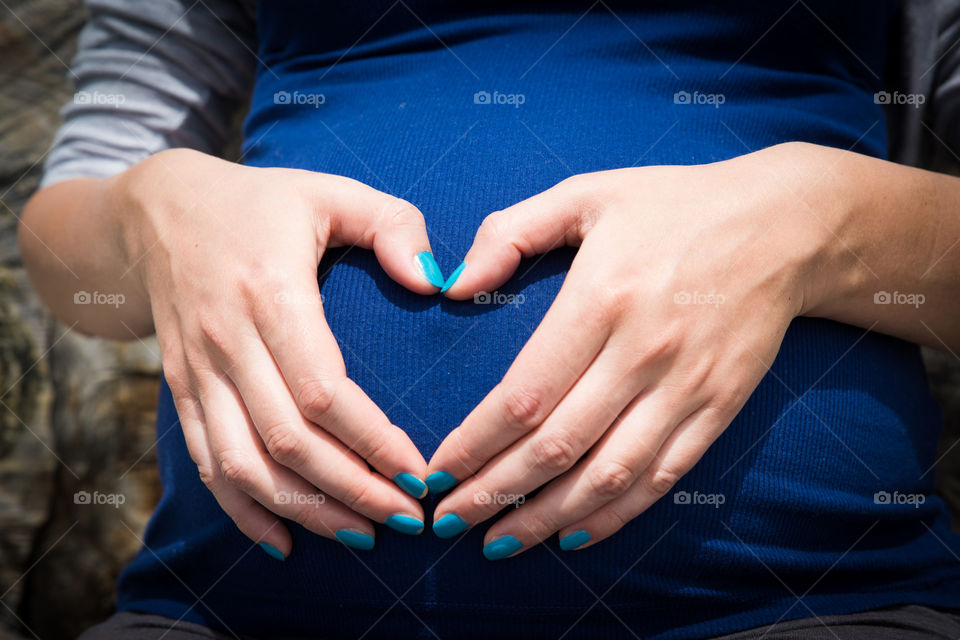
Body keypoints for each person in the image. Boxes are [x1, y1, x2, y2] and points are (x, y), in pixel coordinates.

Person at [18, 0, 960, 638]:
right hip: (227, 617)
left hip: (804, 604)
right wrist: (152, 209)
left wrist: (813, 218)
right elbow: (68, 248)